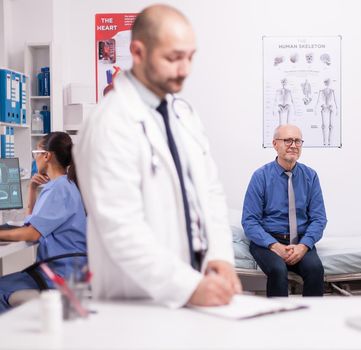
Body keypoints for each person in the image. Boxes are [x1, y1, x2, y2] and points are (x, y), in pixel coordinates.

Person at [74, 4, 241, 308]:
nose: (185, 69)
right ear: (138, 52)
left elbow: (211, 192)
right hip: (139, 302)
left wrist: (220, 256)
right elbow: (121, 228)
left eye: (190, 57)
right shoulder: (109, 123)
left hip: (196, 290)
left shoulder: (183, 115)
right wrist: (187, 287)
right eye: (173, 58)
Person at [0, 132, 86, 312]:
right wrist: (31, 188)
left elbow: (32, 233)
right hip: (65, 270)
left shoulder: (58, 188)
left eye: (35, 153)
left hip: (58, 274)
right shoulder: (63, 185)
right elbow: (31, 224)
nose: (34, 158)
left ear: (47, 156)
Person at [242, 124, 327, 297]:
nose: (293, 145)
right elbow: (250, 221)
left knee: (315, 269)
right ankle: (278, 322)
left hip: (300, 241)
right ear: (275, 144)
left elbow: (319, 219)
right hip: (268, 242)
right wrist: (275, 246)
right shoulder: (261, 177)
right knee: (278, 270)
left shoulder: (310, 176)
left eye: (297, 141)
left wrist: (304, 246)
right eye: (288, 140)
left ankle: (315, 321)